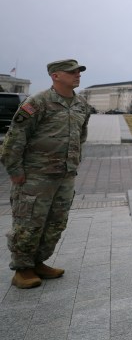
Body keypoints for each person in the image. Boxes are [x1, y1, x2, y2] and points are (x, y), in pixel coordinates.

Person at [1, 59, 90, 289]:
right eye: (71, 72)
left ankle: (38, 262)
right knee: (29, 222)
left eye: (78, 72)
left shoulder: (81, 104)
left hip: (65, 176)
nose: (77, 75)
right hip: (36, 176)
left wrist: (73, 163)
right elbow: (15, 137)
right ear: (55, 76)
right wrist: (15, 170)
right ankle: (22, 269)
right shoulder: (37, 103)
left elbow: (81, 136)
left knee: (56, 223)